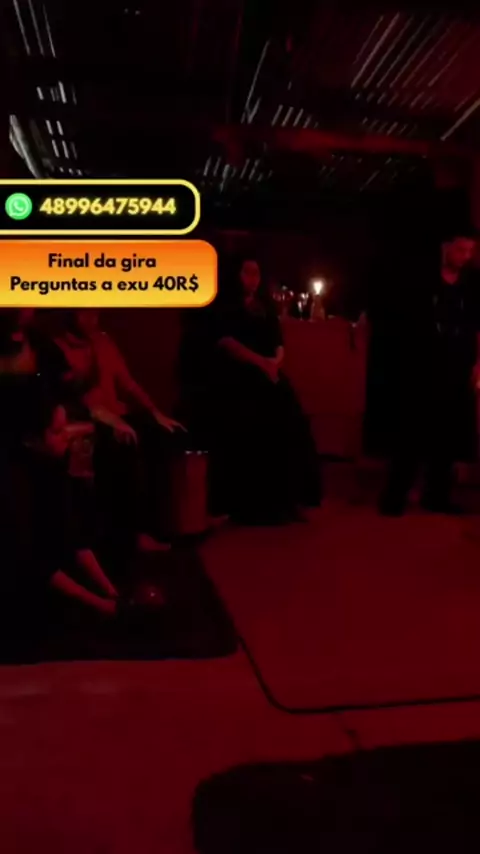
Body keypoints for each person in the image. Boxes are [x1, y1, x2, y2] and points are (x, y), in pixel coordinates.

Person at [54, 310, 186, 552]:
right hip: (91, 419)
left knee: (166, 433)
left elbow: (128, 383)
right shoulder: (57, 349)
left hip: (119, 413)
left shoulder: (104, 341)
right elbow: (78, 399)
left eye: (95, 312)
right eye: (85, 312)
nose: (92, 318)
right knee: (122, 445)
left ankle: (169, 522)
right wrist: (112, 422)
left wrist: (155, 412)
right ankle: (131, 536)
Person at [210, 256, 321, 524]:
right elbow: (227, 342)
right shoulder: (225, 306)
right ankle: (249, 505)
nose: (252, 279)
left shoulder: (265, 307)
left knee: (291, 420)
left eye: (256, 274)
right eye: (247, 273)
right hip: (239, 373)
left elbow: (278, 342)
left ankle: (290, 499)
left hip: (268, 371)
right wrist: (260, 363)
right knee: (251, 422)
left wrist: (274, 362)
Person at [380, 227, 479, 516]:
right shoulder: (423, 280)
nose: (464, 256)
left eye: (469, 251)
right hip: (423, 366)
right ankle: (395, 494)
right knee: (411, 430)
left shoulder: (471, 284)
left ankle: (437, 495)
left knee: (447, 434)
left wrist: (477, 362)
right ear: (446, 247)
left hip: (457, 365)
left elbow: (477, 324)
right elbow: (405, 322)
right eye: (460, 249)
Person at [0, 391, 119, 629]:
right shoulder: (16, 484)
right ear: (31, 440)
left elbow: (74, 536)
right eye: (58, 431)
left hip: (45, 565)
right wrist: (99, 604)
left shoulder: (52, 465)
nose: (68, 436)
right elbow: (33, 562)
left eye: (67, 427)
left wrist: (111, 592)